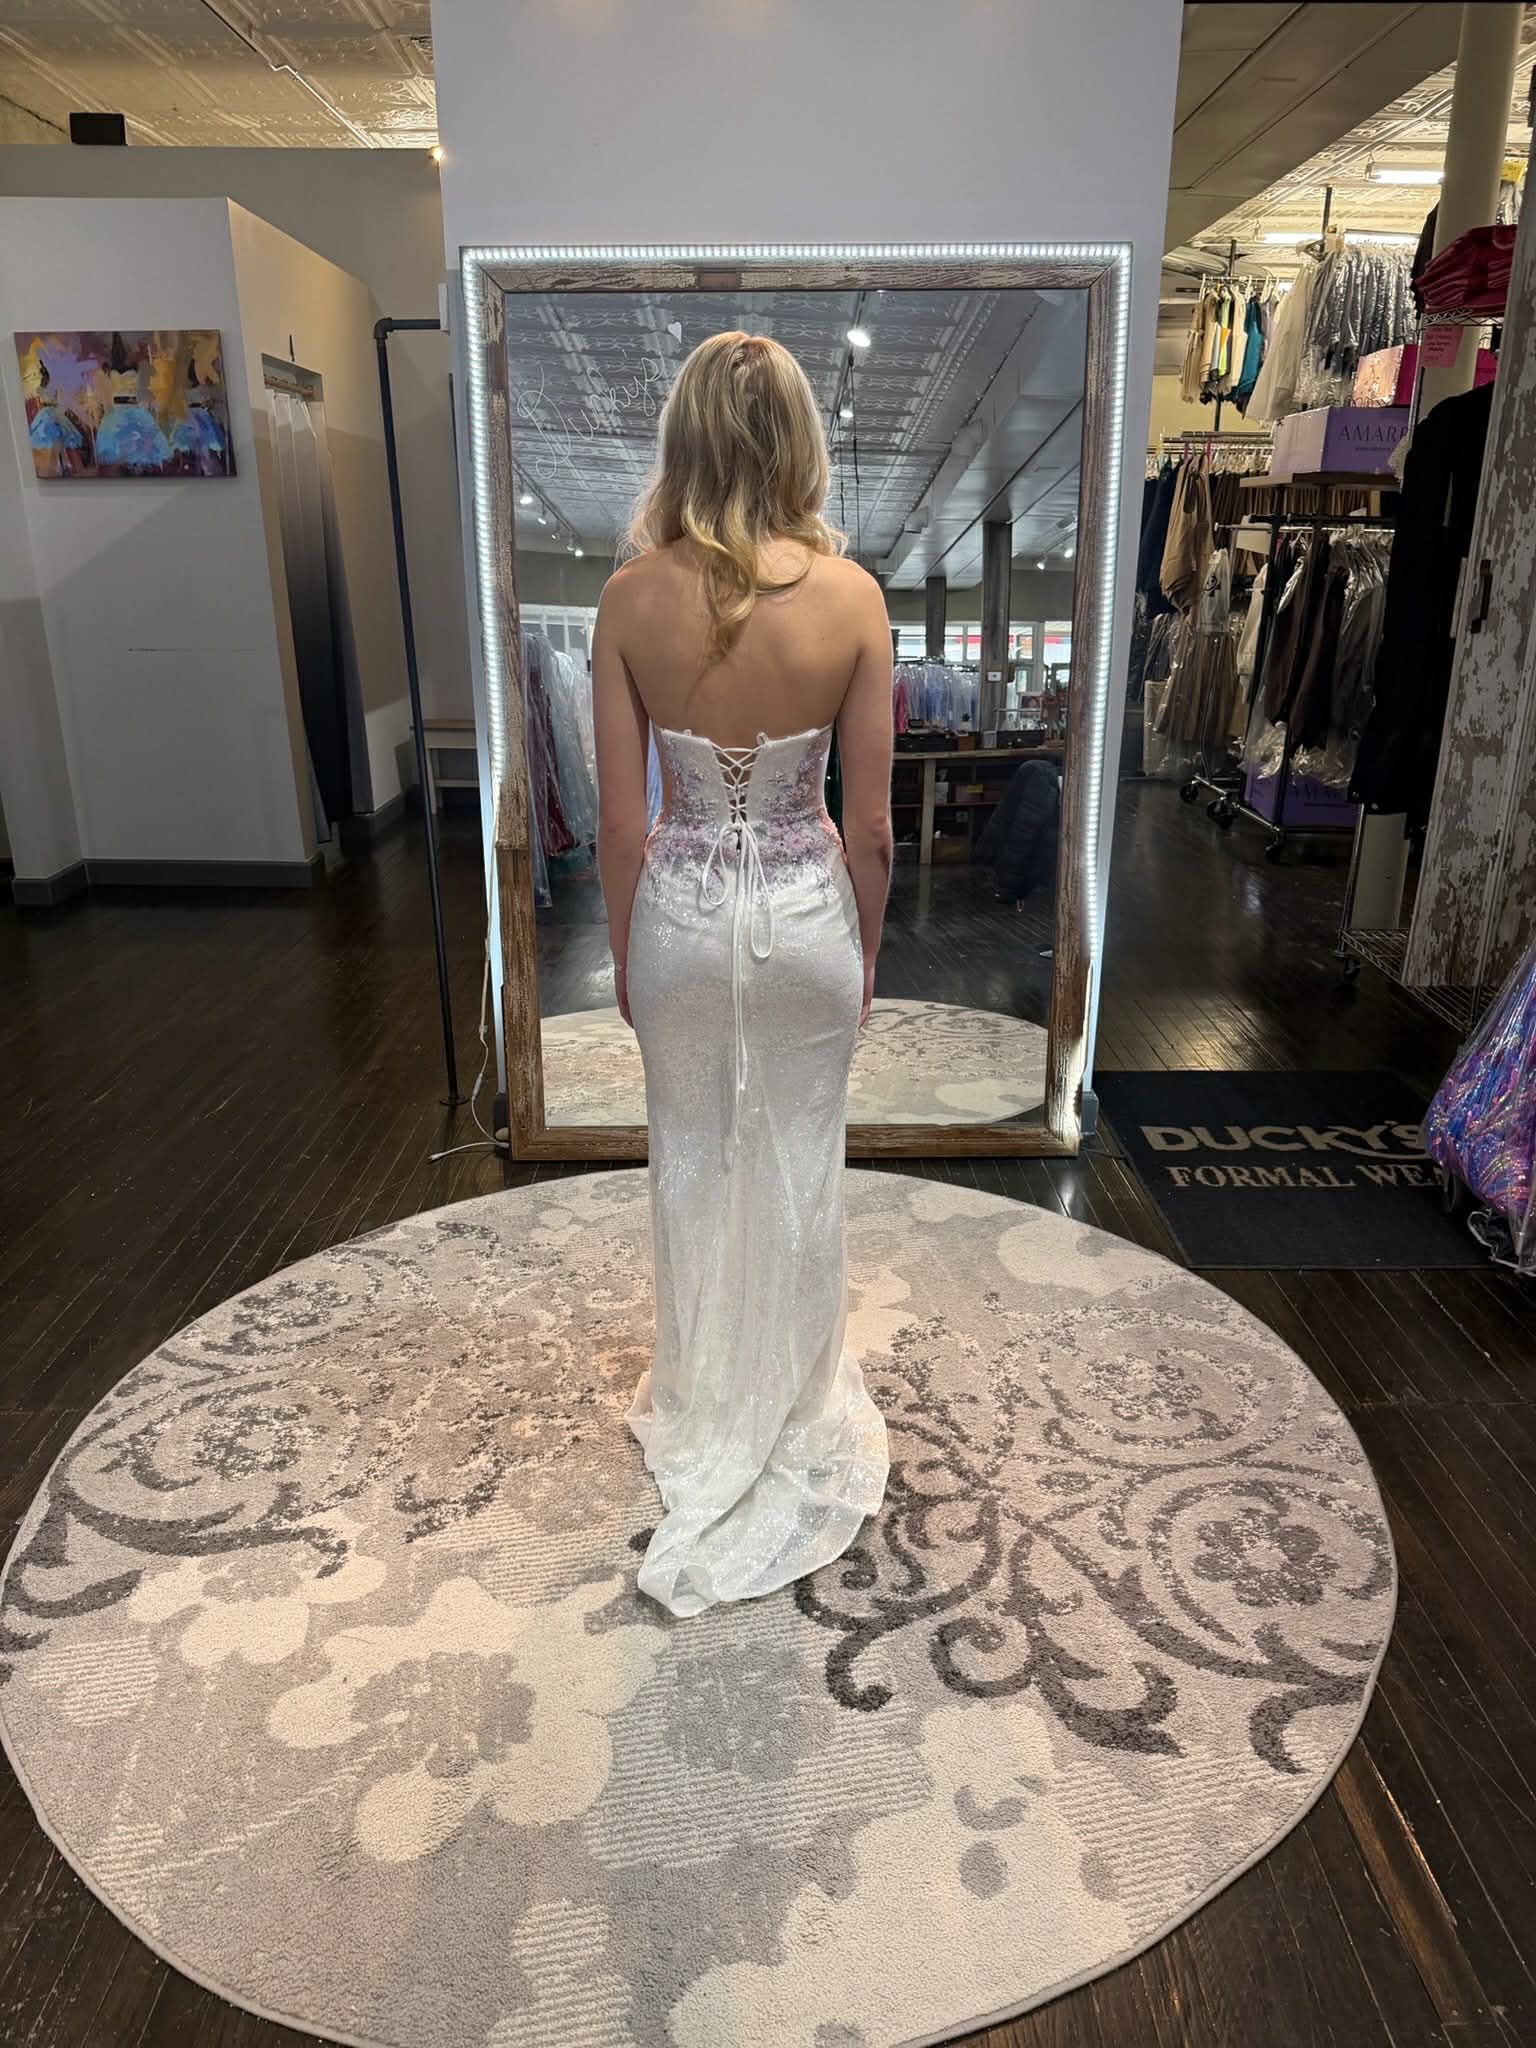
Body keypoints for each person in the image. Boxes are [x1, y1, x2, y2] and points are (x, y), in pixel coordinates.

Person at [590, 330, 894, 1619]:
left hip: (679, 911)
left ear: (684, 439)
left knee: (693, 1161)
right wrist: (863, 953)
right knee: (799, 1165)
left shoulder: (627, 602)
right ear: (799, 442)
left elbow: (620, 827)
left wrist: (625, 954)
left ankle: (706, 1394)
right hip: (806, 916)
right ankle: (794, 1405)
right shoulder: (854, 600)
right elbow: (871, 827)